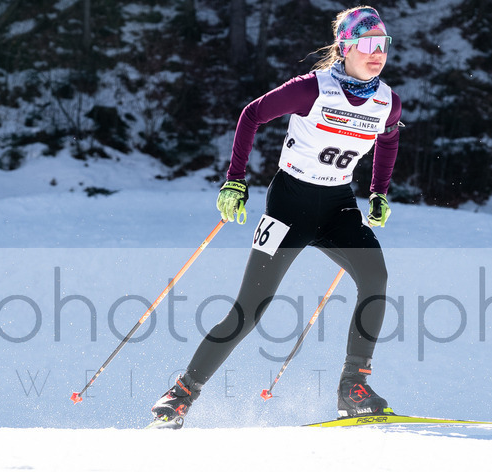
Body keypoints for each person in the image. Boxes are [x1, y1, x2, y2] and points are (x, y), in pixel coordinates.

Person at [150, 5, 402, 429]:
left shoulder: (387, 101)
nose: (377, 53)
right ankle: (182, 392)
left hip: (338, 206)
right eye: (367, 44)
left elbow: (389, 138)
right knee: (251, 307)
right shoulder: (312, 88)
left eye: (383, 45)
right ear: (345, 47)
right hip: (290, 203)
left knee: (375, 278)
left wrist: (378, 191)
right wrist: (235, 179)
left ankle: (353, 387)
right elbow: (252, 114)